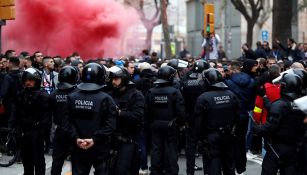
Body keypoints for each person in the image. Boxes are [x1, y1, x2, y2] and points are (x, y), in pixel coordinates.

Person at [64, 63, 117, 175]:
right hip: (100, 147)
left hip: (78, 146)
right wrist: (94, 139)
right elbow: (110, 125)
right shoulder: (106, 99)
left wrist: (77, 138)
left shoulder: (72, 97)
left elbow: (66, 122)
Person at [253, 73, 306, 174]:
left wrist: (257, 129)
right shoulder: (302, 104)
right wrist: (264, 97)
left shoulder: (280, 104)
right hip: (295, 147)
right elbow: (280, 110)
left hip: (276, 147)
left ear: (284, 87)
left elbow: (271, 125)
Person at [194, 68, 240, 175]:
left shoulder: (203, 98)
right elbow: (239, 117)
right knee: (229, 165)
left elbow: (198, 122)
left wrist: (200, 139)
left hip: (211, 136)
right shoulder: (231, 95)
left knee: (213, 165)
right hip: (228, 134)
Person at [147, 66, 186, 175]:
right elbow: (181, 111)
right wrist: (180, 124)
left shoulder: (151, 91)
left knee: (156, 150)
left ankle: (155, 171)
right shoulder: (175, 92)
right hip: (171, 126)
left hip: (155, 125)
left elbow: (147, 110)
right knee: (172, 150)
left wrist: (151, 122)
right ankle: (171, 171)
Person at [108, 66, 145, 175]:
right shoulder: (110, 95)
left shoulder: (136, 95)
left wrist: (119, 113)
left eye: (116, 79)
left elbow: (137, 117)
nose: (113, 82)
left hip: (128, 140)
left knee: (123, 170)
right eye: (112, 79)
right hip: (111, 139)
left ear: (123, 79)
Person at [15, 68, 51, 175]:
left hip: (37, 131)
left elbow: (47, 117)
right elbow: (16, 112)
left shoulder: (43, 96)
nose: (28, 82)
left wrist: (42, 132)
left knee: (38, 159)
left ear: (36, 81)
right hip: (24, 131)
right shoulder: (20, 94)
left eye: (31, 80)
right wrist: (16, 128)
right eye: (26, 80)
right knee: (26, 159)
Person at [180, 60, 209, 175]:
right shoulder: (205, 82)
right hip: (204, 118)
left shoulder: (185, 81)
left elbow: (181, 101)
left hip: (190, 118)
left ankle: (190, 171)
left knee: (190, 147)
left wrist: (184, 118)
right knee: (206, 145)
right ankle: (207, 171)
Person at [50, 66, 79, 175]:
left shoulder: (53, 94)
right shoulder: (78, 93)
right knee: (77, 161)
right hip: (75, 132)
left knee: (57, 161)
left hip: (59, 131)